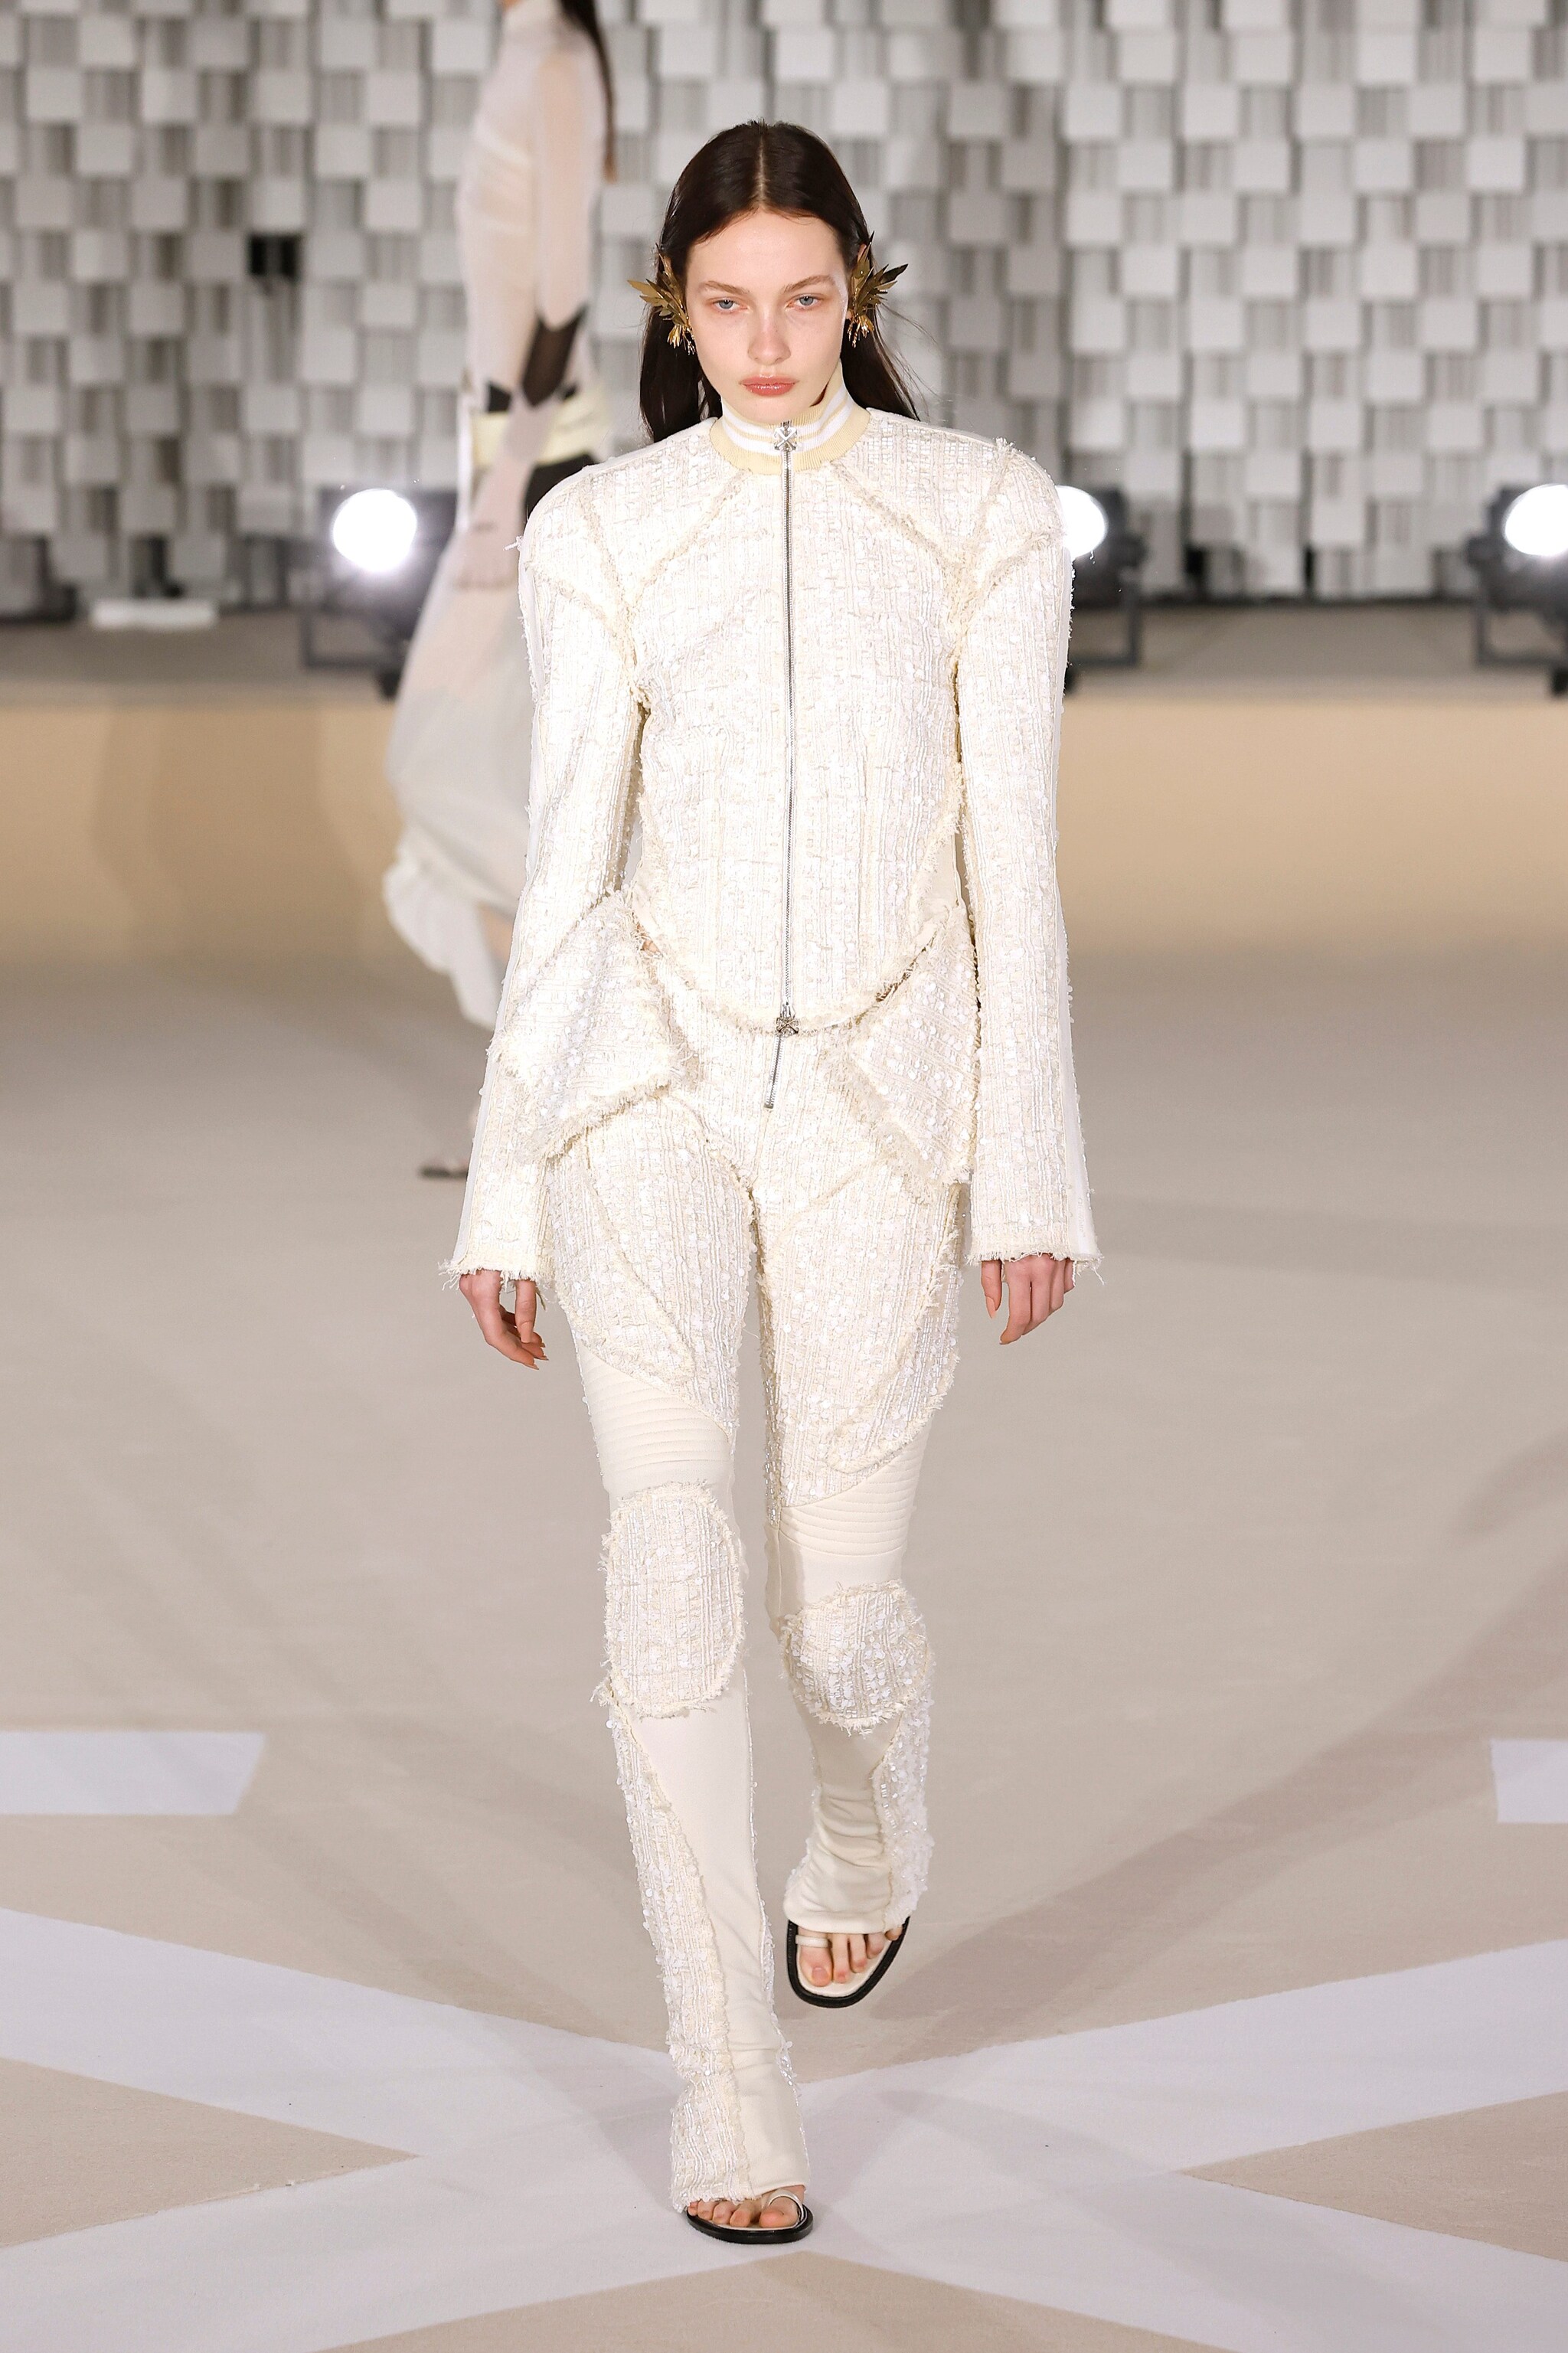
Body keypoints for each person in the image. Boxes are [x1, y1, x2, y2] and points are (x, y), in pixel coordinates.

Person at [451, 120, 1097, 2245]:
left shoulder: (983, 513)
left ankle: (866, 1835)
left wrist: (1030, 1172)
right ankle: (729, 2074)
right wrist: (503, 1188)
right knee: (666, 1567)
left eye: (804, 298)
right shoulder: (604, 528)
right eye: (726, 303)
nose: (766, 341)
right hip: (642, 1077)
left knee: (840, 1610)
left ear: (858, 296)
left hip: (885, 1104)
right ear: (675, 308)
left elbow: (1014, 861)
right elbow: (566, 862)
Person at [383, 0, 614, 1034]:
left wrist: (502, 488)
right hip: (507, 459)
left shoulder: (556, 65)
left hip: (538, 467)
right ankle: (550, 1054)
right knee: (473, 768)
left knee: (433, 766)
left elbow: (562, 304)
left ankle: (595, 996)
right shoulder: (531, 57)